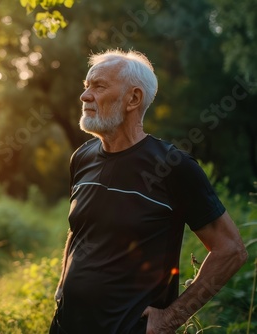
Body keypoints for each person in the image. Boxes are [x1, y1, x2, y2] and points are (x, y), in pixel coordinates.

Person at [49, 49, 248, 334]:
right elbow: (78, 232)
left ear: (133, 98)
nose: (85, 96)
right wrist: (61, 289)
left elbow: (231, 250)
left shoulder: (173, 167)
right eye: (86, 86)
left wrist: (171, 318)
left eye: (99, 86)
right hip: (65, 324)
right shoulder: (82, 157)